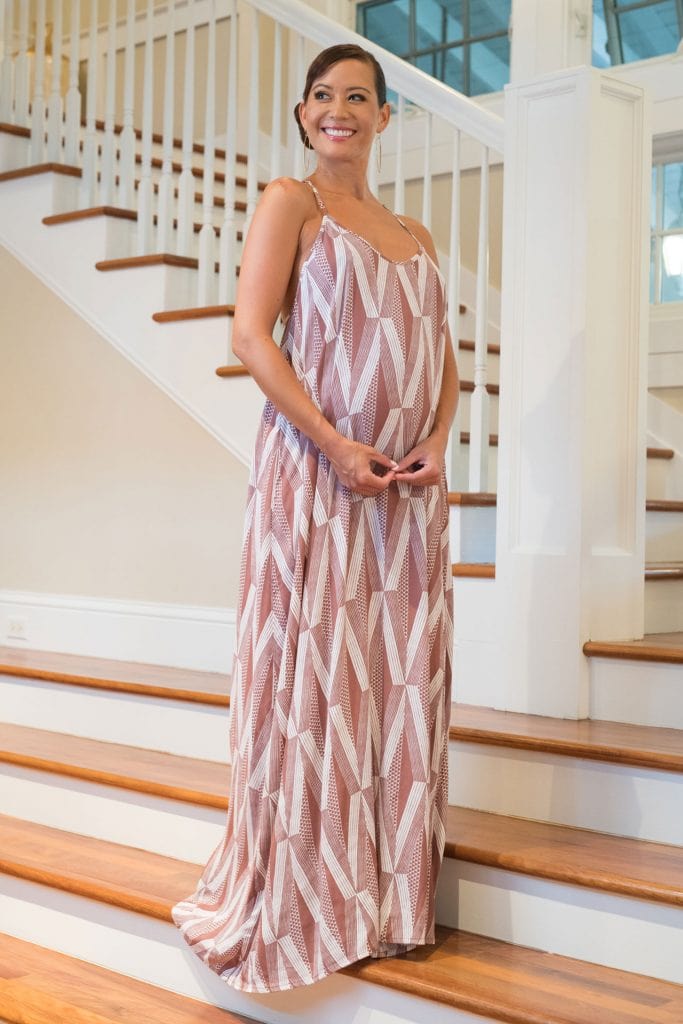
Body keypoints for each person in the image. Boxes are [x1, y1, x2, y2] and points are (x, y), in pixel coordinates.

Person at [172, 42, 459, 994]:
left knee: (395, 686)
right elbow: (252, 337)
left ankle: (384, 899)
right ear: (304, 115)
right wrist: (337, 444)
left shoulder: (413, 231)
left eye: (360, 97)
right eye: (324, 96)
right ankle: (307, 892)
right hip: (321, 482)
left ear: (384, 118)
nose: (341, 109)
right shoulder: (289, 202)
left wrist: (439, 439)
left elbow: (445, 365)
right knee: (318, 690)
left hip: (406, 498)